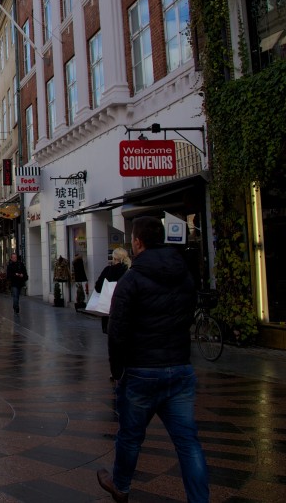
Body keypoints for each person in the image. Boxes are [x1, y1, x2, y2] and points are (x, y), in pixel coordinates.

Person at [97, 216, 208, 503]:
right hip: (180, 368)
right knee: (188, 443)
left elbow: (117, 329)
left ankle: (120, 485)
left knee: (131, 437)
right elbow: (188, 313)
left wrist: (117, 370)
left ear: (138, 241)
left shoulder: (131, 279)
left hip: (141, 369)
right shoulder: (184, 274)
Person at [94, 248, 131, 334]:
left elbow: (98, 288)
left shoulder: (108, 270)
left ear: (114, 258)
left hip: (109, 310)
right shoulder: (129, 270)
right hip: (126, 310)